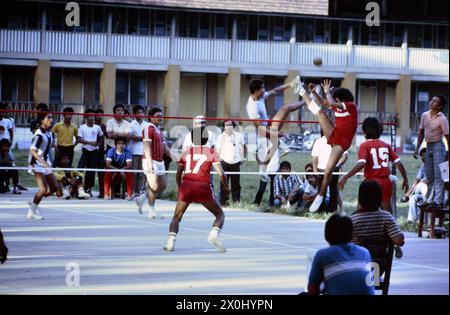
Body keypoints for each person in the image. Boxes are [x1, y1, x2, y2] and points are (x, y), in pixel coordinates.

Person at [164, 126, 230, 252]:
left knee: (177, 216)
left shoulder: (186, 152)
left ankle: (170, 242)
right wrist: (226, 188)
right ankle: (214, 235)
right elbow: (222, 174)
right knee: (220, 214)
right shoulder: (210, 152)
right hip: (203, 186)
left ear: (192, 139)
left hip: (187, 185)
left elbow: (178, 175)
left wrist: (180, 187)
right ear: (207, 138)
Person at [296, 79, 358, 213]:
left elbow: (330, 101)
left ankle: (321, 194)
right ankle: (301, 91)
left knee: (328, 170)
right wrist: (314, 93)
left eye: (335, 99)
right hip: (335, 133)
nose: (333, 101)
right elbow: (325, 103)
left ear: (340, 99)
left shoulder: (351, 106)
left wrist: (326, 92)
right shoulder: (336, 105)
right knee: (319, 112)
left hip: (343, 141)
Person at [246, 79, 304, 208]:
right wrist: (277, 134)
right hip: (265, 133)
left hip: (270, 127)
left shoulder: (260, 97)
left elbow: (275, 90)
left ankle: (306, 100)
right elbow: (260, 130)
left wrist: (290, 84)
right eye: (262, 88)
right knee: (265, 174)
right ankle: (260, 202)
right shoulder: (252, 107)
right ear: (256, 91)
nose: (265, 90)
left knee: (286, 107)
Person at [338, 117, 409, 212]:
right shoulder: (386, 145)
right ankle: (391, 225)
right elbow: (398, 163)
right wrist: (405, 179)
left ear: (364, 131)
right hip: (385, 182)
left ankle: (358, 225)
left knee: (361, 209)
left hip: (370, 182)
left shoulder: (364, 145)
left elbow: (361, 163)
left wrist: (345, 177)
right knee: (387, 211)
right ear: (379, 130)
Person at [307, 213, 375, 295]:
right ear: (351, 234)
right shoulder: (365, 252)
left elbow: (312, 289)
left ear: (326, 235)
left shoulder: (323, 255)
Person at [351, 180, 405, 274]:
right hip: (376, 270)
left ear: (360, 199)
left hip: (354, 269)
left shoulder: (352, 220)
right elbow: (399, 241)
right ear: (380, 199)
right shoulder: (387, 218)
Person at [414, 95, 449, 208]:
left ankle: (438, 201)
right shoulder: (424, 115)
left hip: (439, 146)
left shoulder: (442, 119)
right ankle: (429, 199)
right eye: (432, 100)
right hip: (428, 146)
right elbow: (421, 132)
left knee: (439, 174)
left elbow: (447, 136)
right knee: (430, 175)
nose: (431, 102)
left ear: (439, 106)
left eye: (435, 101)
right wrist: (417, 148)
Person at [28, 107, 63, 220]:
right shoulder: (38, 135)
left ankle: (35, 201)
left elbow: (49, 146)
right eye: (48, 117)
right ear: (42, 120)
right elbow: (33, 150)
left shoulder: (49, 133)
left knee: (54, 188)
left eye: (52, 117)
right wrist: (41, 161)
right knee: (42, 189)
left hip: (45, 163)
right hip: (36, 164)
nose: (51, 119)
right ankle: (32, 212)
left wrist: (55, 148)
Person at [135, 107, 171, 219]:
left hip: (160, 161)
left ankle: (142, 198)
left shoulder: (159, 131)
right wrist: (150, 164)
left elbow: (165, 148)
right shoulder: (148, 128)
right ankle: (151, 210)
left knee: (163, 185)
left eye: (161, 115)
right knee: (154, 186)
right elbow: (146, 147)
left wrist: (178, 158)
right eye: (157, 115)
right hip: (150, 160)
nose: (160, 117)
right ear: (150, 117)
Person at [311, 129, 348, 212]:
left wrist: (338, 165)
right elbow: (315, 157)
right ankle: (320, 210)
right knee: (320, 191)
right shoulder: (318, 141)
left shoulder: (338, 140)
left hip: (334, 170)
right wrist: (314, 170)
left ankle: (332, 210)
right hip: (321, 170)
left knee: (333, 191)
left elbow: (345, 155)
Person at [215, 120, 246, 205]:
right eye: (227, 125)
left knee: (236, 184)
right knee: (224, 183)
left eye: (230, 125)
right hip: (224, 162)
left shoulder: (239, 136)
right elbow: (217, 150)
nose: (229, 126)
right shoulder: (220, 137)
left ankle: (236, 202)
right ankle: (223, 202)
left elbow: (242, 147)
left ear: (233, 126)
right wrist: (218, 160)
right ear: (224, 127)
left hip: (236, 162)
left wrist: (242, 158)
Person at [76, 108, 103, 196]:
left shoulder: (97, 127)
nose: (91, 117)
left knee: (91, 171)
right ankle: (78, 188)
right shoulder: (82, 127)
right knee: (80, 168)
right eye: (89, 116)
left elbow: (101, 137)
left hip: (94, 151)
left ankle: (89, 189)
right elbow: (79, 140)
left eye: (92, 116)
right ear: (86, 117)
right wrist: (89, 142)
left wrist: (98, 144)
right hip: (85, 150)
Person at [128, 105, 149, 197]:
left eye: (141, 112)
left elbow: (148, 138)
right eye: (138, 112)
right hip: (134, 151)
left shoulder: (147, 125)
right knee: (134, 172)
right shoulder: (131, 124)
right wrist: (142, 137)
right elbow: (133, 138)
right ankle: (132, 190)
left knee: (142, 172)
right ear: (134, 114)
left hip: (144, 151)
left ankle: (140, 190)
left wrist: (140, 137)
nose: (140, 114)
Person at [404, 148, 428, 222]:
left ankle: (407, 195)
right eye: (422, 155)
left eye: (425, 155)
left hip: (429, 191)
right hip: (423, 190)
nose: (424, 157)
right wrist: (413, 186)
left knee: (420, 185)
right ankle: (411, 220)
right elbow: (417, 179)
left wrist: (422, 182)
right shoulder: (423, 166)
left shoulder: (434, 166)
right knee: (413, 197)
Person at [94, 108, 107, 198]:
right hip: (91, 151)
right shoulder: (91, 126)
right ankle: (87, 189)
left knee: (101, 172)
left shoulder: (104, 127)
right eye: (98, 114)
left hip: (101, 152)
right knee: (90, 172)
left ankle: (102, 192)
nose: (100, 116)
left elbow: (108, 137)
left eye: (101, 115)